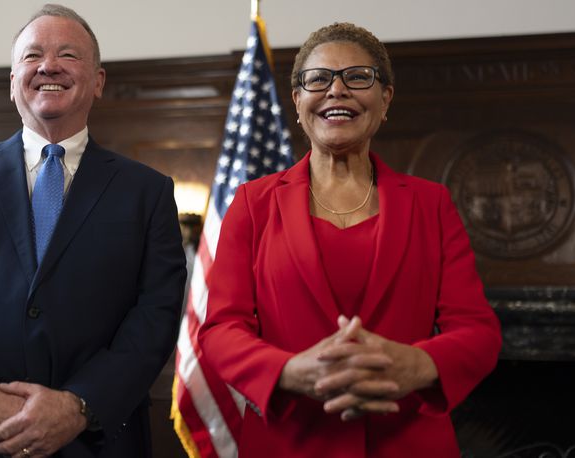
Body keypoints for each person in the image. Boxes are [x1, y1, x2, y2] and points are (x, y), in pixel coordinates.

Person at [0, 4, 187, 458]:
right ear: (12, 83)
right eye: (32, 56)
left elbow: (156, 315)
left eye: (69, 54)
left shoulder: (149, 192)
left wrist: (77, 407)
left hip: (89, 440)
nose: (48, 65)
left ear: (98, 81)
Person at [197, 22, 501, 457]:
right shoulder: (252, 203)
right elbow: (222, 329)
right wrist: (289, 370)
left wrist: (417, 365)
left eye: (358, 77)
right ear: (298, 101)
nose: (336, 90)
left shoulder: (431, 204)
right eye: (318, 79)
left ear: (385, 99)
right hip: (289, 442)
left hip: (408, 443)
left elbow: (478, 330)